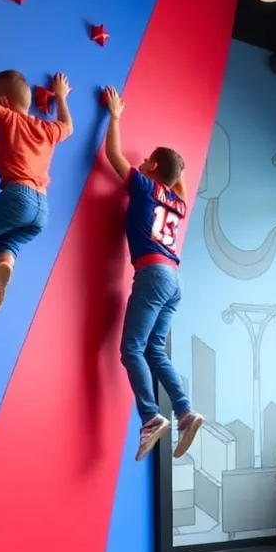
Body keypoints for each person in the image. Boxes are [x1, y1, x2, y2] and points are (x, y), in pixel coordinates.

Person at [103, 85, 203, 462]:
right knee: (154, 349)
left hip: (152, 274)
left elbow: (113, 155)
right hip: (175, 280)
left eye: (146, 160)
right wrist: (171, 166)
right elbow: (178, 177)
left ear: (153, 169)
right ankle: (185, 411)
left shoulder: (145, 188)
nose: (140, 162)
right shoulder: (177, 200)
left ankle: (150, 417)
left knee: (131, 348)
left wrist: (114, 116)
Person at [0, 51, 72, 319]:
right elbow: (67, 126)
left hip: (18, 196)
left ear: (3, 102)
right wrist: (61, 97)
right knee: (8, 242)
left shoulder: (8, 118)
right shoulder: (46, 129)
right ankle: (4, 265)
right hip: (42, 209)